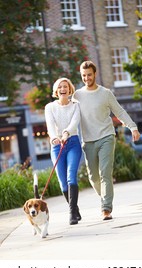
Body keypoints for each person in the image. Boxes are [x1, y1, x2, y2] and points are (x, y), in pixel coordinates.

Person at [73, 60, 140, 221]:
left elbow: (120, 111)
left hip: (106, 137)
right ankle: (104, 197)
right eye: (84, 75)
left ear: (95, 74)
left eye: (89, 75)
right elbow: (70, 116)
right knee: (93, 177)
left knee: (105, 173)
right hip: (88, 141)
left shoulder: (105, 93)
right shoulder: (77, 95)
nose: (87, 78)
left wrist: (133, 127)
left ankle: (106, 209)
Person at [45, 77, 82, 225]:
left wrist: (66, 133)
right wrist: (55, 137)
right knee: (62, 184)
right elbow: (50, 125)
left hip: (72, 142)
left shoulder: (76, 106)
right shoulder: (50, 107)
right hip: (56, 146)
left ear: (70, 89)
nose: (63, 89)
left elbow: (74, 123)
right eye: (60, 87)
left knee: (71, 177)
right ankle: (75, 209)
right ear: (56, 90)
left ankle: (72, 214)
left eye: (65, 86)